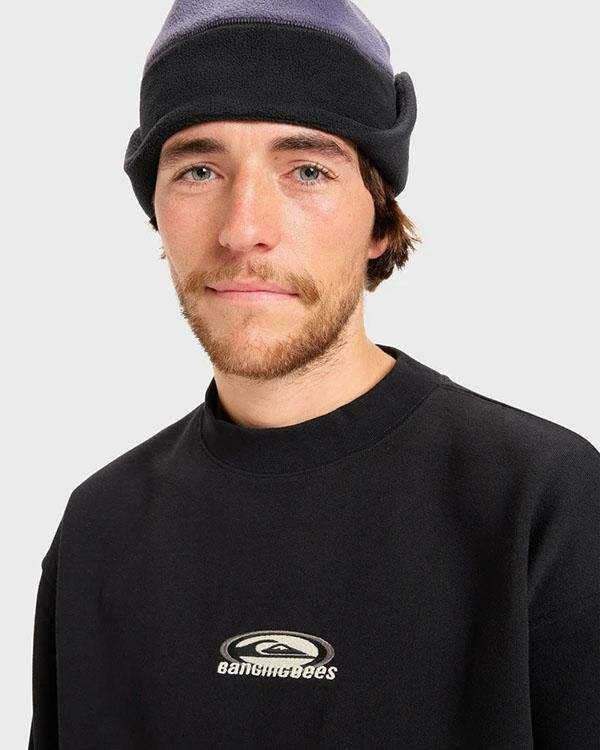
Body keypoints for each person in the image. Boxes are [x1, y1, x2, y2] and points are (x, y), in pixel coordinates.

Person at [28, 1, 599, 748]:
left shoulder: (542, 504)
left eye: (306, 170)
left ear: (380, 221)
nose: (243, 229)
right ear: (157, 212)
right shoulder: (98, 529)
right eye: (199, 170)